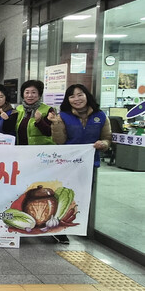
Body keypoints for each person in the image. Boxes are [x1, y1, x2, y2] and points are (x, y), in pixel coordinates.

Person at [48, 84, 111, 244]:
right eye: (72, 96)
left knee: (83, 197)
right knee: (63, 196)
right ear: (68, 100)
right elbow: (59, 141)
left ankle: (80, 227)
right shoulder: (63, 116)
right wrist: (56, 124)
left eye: (80, 95)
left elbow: (107, 138)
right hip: (67, 165)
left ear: (87, 95)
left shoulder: (100, 116)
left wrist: (103, 144)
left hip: (89, 164)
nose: (76, 99)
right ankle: (60, 231)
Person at [3, 80, 55, 145]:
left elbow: (50, 133)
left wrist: (39, 121)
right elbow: (8, 129)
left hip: (42, 149)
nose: (30, 95)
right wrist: (6, 120)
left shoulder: (48, 110)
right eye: (27, 92)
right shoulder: (18, 109)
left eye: (33, 92)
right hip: (22, 148)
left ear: (39, 94)